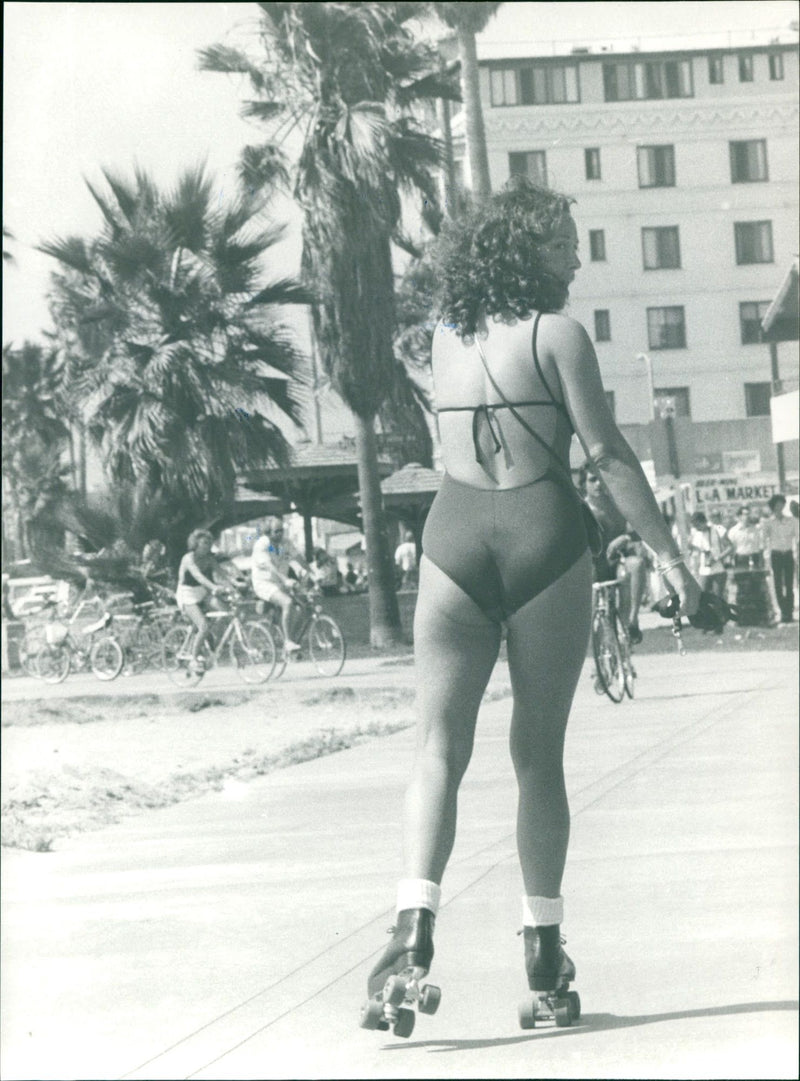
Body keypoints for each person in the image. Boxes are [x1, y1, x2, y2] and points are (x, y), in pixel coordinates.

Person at [362, 178, 701, 1024]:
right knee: (536, 757)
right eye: (562, 239)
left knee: (436, 749)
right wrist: (672, 557)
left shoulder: (442, 335)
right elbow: (611, 457)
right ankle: (544, 956)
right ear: (523, 247)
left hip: (452, 542)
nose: (576, 255)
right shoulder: (560, 335)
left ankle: (411, 929)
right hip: (543, 540)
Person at [579, 466, 647, 644]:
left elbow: (640, 529)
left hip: (617, 562)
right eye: (592, 480)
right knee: (595, 607)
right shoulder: (580, 509)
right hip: (593, 566)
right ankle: (602, 648)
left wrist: (624, 537)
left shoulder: (618, 505)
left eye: (601, 478)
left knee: (637, 565)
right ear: (583, 484)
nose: (598, 484)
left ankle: (632, 620)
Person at [175, 529, 227, 671]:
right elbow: (198, 577)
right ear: (195, 543)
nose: (208, 545)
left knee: (224, 612)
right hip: (187, 595)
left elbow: (222, 573)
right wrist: (214, 587)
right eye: (205, 542)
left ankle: (209, 641)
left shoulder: (209, 559)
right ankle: (193, 659)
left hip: (203, 592)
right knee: (203, 626)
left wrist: (236, 584)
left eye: (210, 542)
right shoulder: (188, 558)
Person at [250, 519, 303, 652]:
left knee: (303, 607)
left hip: (280, 582)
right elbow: (271, 567)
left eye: (282, 530)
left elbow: (299, 558)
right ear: (268, 533)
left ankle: (291, 638)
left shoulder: (286, 543)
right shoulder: (262, 545)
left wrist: (313, 573)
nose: (280, 534)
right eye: (276, 531)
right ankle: (288, 641)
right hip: (264, 583)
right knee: (287, 602)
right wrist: (285, 579)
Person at [763, 494, 799, 623]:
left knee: (789, 584)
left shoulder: (792, 520)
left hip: (788, 554)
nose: (780, 507)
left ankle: (789, 613)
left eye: (782, 504)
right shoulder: (768, 522)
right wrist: (766, 558)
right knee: (777, 584)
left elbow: (798, 538)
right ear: (773, 506)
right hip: (776, 555)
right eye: (777, 504)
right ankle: (783, 611)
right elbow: (764, 540)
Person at [687, 511, 731, 600]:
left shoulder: (718, 529)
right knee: (703, 598)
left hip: (719, 569)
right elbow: (694, 549)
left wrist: (718, 558)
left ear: (704, 521)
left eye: (698, 525)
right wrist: (690, 542)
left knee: (718, 598)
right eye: (695, 526)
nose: (697, 528)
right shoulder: (697, 534)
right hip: (704, 571)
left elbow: (730, 547)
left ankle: (721, 613)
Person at [727, 505, 767, 569]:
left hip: (755, 558)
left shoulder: (756, 529)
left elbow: (760, 546)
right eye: (745, 514)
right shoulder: (733, 531)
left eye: (749, 514)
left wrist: (762, 560)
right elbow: (730, 548)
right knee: (742, 578)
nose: (747, 516)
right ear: (739, 516)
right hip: (741, 559)